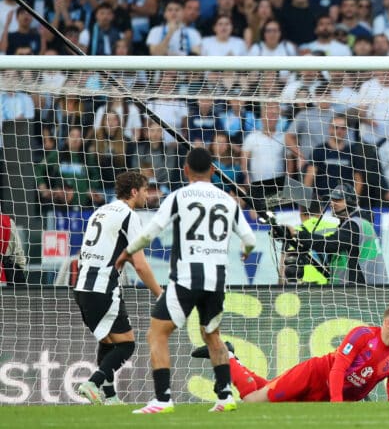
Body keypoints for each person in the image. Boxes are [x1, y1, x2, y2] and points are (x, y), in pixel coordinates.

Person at [115, 148, 257, 414]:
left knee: (157, 333)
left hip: (186, 277)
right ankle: (225, 395)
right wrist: (245, 252)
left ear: (185, 170)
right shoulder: (228, 200)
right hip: (216, 279)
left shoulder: (179, 197)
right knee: (213, 334)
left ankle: (163, 398)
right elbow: (249, 239)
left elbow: (151, 231)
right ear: (214, 171)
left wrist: (127, 251)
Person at [190, 305, 389, 402]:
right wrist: (337, 403)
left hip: (323, 396)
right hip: (315, 375)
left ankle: (232, 358)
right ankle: (227, 358)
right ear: (388, 324)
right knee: (254, 400)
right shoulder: (362, 335)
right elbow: (338, 368)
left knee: (265, 391)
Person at [75, 171, 163, 405]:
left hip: (83, 287)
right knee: (126, 344)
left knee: (108, 342)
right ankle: (92, 382)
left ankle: (111, 397)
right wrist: (161, 295)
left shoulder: (100, 211)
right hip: (104, 286)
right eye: (145, 190)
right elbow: (141, 265)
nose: (147, 194)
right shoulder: (129, 215)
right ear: (134, 191)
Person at [281, 183, 387, 284]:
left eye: (338, 200)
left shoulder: (355, 224)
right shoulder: (354, 224)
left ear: (351, 201)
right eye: (332, 200)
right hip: (357, 289)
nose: (332, 203)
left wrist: (296, 233)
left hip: (364, 290)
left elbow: (330, 244)